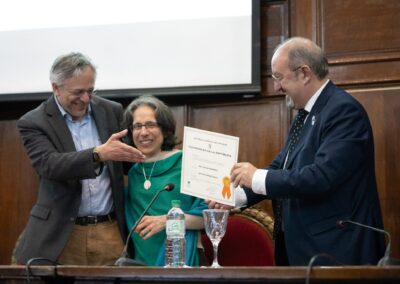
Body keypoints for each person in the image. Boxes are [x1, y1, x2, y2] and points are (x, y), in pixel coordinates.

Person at [209, 37, 386, 266]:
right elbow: (281, 167)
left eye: (279, 77)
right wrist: (237, 197)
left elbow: (322, 177)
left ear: (304, 73)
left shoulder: (343, 111)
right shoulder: (305, 115)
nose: (276, 86)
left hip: (337, 251)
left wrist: (256, 177)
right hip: (303, 250)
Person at [14, 52, 145, 265]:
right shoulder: (33, 122)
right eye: (78, 92)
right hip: (63, 233)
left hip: (110, 231)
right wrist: (98, 154)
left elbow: (129, 161)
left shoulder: (111, 110)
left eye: (90, 91)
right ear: (55, 87)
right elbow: (49, 165)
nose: (85, 99)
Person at [123, 95, 208, 266]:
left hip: (179, 258)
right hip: (139, 262)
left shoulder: (188, 162)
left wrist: (168, 221)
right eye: (137, 126)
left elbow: (210, 218)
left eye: (151, 125)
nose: (144, 132)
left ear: (165, 128)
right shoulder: (133, 172)